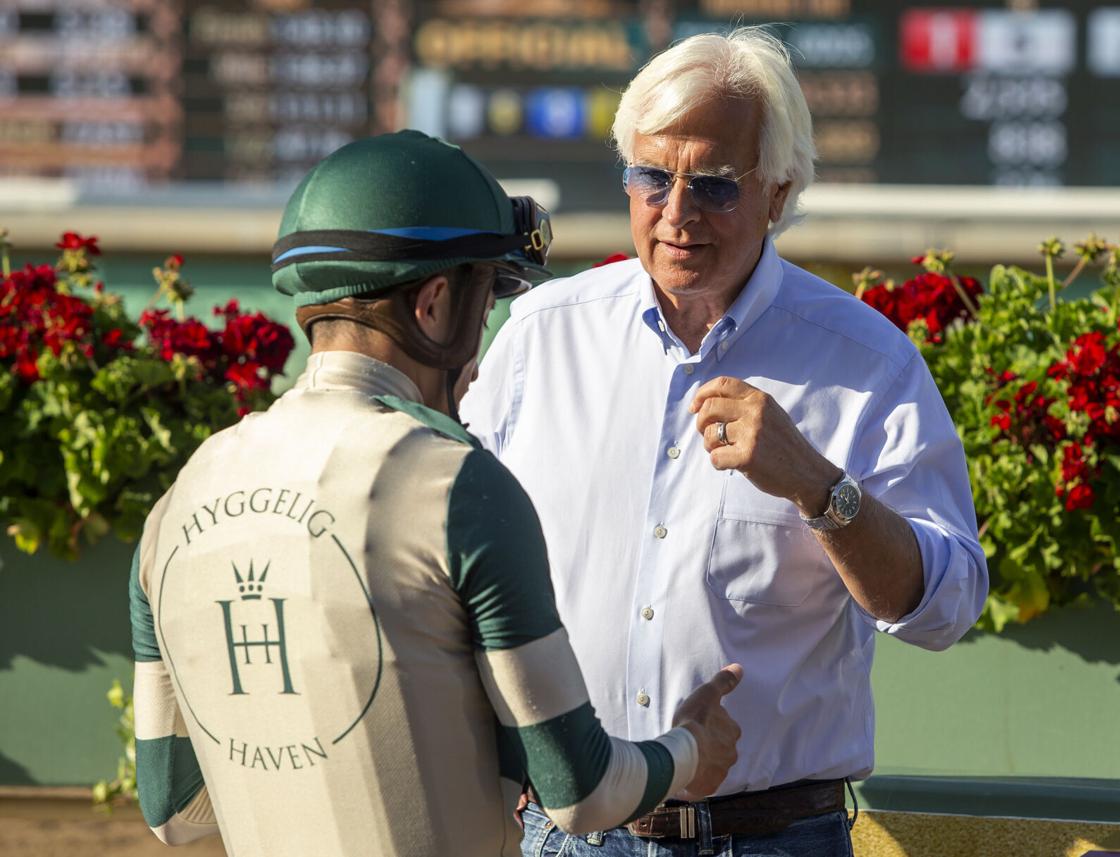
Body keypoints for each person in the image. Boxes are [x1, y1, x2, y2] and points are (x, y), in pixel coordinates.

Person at [128, 130, 744, 857]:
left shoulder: (176, 505)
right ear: (434, 304)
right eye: (484, 312)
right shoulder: (461, 485)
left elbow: (173, 808)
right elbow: (580, 792)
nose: (478, 366)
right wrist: (689, 748)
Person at [460, 28, 989, 857]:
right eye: (650, 176)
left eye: (712, 184)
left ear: (778, 193)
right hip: (561, 832)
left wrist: (820, 489)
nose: (676, 214)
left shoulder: (865, 360)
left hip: (768, 837)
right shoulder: (539, 335)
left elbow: (947, 605)